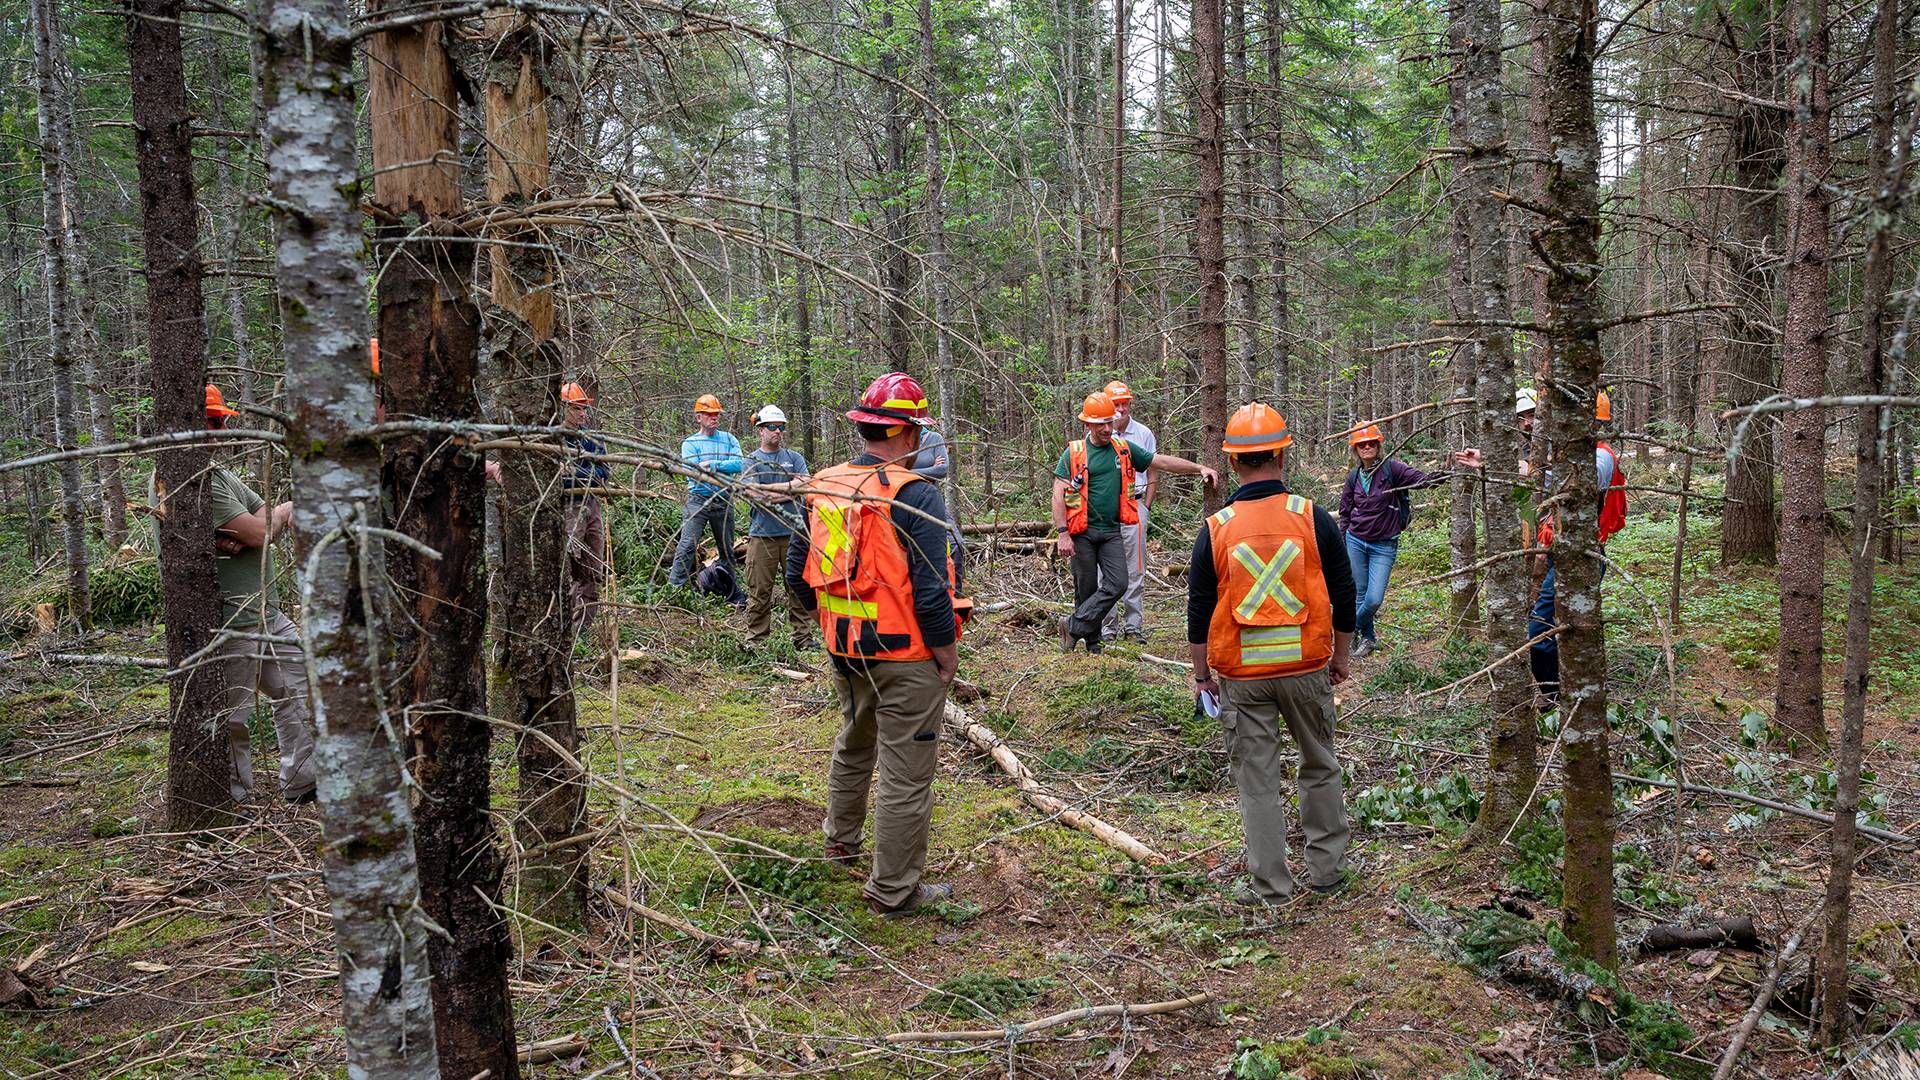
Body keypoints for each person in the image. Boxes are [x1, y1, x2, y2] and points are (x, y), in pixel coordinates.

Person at [785, 372, 968, 918]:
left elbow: (798, 574)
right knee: (907, 775)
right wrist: (946, 653)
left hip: (846, 648)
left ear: (865, 428)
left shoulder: (825, 484)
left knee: (855, 742)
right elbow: (932, 589)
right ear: (910, 436)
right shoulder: (915, 495)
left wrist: (834, 618)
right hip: (905, 655)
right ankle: (894, 890)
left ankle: (839, 842)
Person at [1187, 402, 1357, 905]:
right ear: (1283, 454)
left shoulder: (1216, 528)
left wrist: (1202, 677)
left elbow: (1198, 610)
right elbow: (1345, 593)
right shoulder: (1312, 517)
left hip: (1242, 679)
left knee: (1257, 782)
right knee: (1320, 765)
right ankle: (1327, 872)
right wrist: (1341, 659)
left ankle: (1272, 888)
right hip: (1307, 670)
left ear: (1234, 464)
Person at [149, 385, 315, 807]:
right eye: (211, 421)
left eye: (222, 421)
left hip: (268, 616)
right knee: (232, 718)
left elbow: (264, 520)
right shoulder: (185, 477)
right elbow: (263, 529)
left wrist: (255, 526)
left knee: (301, 693)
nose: (219, 430)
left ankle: (304, 783)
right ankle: (233, 803)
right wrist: (264, 524)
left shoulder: (220, 475)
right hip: (230, 622)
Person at [1454, 389, 1625, 697]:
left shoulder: (1600, 457)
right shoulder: (1571, 456)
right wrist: (1490, 461)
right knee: (1552, 629)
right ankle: (1560, 694)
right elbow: (1540, 477)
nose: (1529, 424)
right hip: (1558, 554)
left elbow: (1571, 482)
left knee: (1550, 631)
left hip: (1584, 557)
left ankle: (1557, 697)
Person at [1053, 390, 1216, 654]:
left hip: (1111, 531)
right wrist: (1063, 533)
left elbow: (1159, 461)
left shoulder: (1124, 449)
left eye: (1110, 422)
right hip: (1081, 532)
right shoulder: (1074, 453)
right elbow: (1058, 493)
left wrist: (1198, 468)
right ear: (1088, 425)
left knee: (1118, 583)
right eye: (1101, 424)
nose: (1107, 428)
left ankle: (1072, 626)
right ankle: (1092, 645)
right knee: (1086, 589)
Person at [1337, 424, 1443, 657]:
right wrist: (1344, 542)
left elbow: (1421, 480)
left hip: (1383, 545)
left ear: (1378, 444)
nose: (1367, 447)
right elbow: (1345, 512)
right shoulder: (1354, 476)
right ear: (1355, 449)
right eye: (1362, 444)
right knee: (1360, 595)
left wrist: (1444, 472)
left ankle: (1347, 630)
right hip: (1355, 541)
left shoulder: (1391, 469)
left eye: (1371, 443)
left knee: (1374, 599)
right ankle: (1368, 639)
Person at [742, 404, 811, 648]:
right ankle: (756, 640)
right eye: (772, 427)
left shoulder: (794, 458)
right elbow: (753, 494)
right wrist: (789, 491)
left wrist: (772, 493)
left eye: (781, 427)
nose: (777, 431)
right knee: (759, 590)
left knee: (797, 587)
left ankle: (802, 638)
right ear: (760, 430)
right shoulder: (751, 461)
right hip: (762, 536)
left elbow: (806, 483)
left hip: (794, 534)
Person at [669, 393, 747, 605]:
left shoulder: (729, 439)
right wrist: (712, 468)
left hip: (723, 500)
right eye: (709, 414)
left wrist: (712, 465)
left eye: (716, 414)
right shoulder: (690, 443)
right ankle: (675, 591)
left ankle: (732, 593)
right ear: (698, 417)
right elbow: (691, 470)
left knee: (726, 549)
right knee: (686, 545)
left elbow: (739, 464)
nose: (714, 418)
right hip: (698, 500)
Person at [1100, 381, 1158, 641]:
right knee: (1106, 569)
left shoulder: (1143, 434)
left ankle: (1133, 626)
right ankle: (1107, 627)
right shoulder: (1101, 434)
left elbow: (1154, 466)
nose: (1121, 409)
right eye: (1116, 404)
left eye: (1124, 403)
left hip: (1135, 506)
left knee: (1135, 567)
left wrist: (1146, 506)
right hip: (1106, 510)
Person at [559, 382, 613, 631]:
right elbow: (557, 475)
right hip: (568, 507)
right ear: (563, 408)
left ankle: (583, 630)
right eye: (577, 408)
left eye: (584, 408)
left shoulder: (591, 436)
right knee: (569, 564)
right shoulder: (554, 436)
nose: (582, 413)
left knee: (593, 567)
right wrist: (584, 471)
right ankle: (564, 627)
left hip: (591, 504)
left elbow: (604, 471)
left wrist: (578, 469)